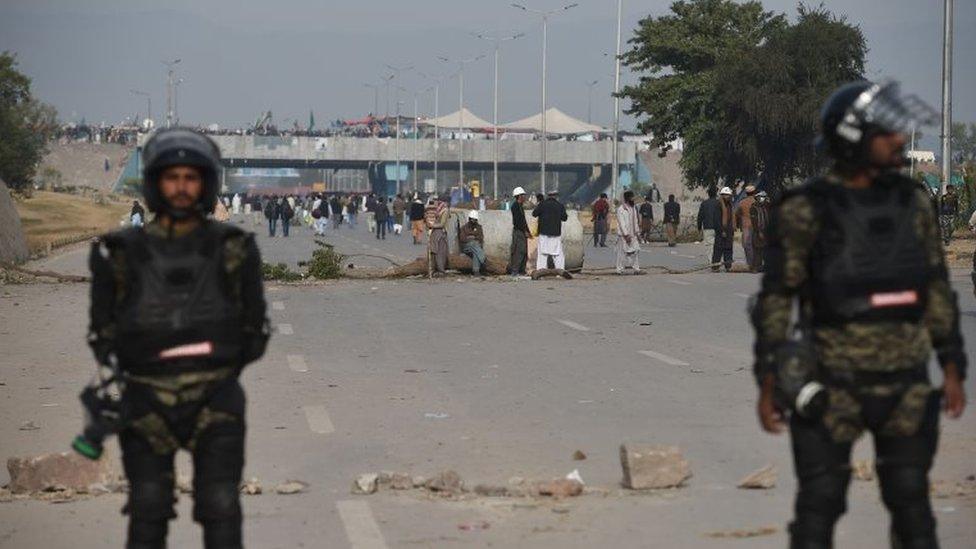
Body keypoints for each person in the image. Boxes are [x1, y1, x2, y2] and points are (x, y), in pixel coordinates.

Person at [751, 80, 967, 549]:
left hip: (905, 382)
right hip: (831, 383)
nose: (900, 139)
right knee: (819, 505)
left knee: (912, 507)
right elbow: (776, 297)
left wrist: (952, 363)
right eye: (887, 131)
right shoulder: (806, 209)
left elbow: (934, 287)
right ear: (853, 138)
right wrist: (769, 376)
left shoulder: (913, 203)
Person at [84, 127, 269, 549]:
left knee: (221, 506)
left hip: (216, 400)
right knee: (147, 509)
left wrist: (215, 369)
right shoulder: (121, 252)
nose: (182, 187)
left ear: (205, 183)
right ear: (155, 182)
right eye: (172, 177)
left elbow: (254, 329)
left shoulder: (234, 248)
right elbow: (102, 331)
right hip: (145, 400)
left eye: (191, 177)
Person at [532, 189, 568, 271]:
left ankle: (541, 272)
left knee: (542, 254)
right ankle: (560, 271)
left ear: (548, 196)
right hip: (555, 233)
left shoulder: (542, 204)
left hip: (543, 233)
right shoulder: (559, 205)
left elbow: (534, 214)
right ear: (556, 196)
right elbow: (564, 218)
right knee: (557, 254)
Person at [615, 190, 641, 274]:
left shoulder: (633, 208)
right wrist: (626, 235)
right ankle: (619, 269)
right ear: (628, 199)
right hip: (624, 236)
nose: (633, 200)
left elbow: (635, 221)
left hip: (633, 234)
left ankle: (636, 269)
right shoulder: (621, 209)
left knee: (636, 251)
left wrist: (638, 233)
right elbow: (621, 223)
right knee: (622, 253)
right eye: (632, 198)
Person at [508, 186, 532, 277]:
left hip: (522, 231)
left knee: (524, 251)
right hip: (518, 232)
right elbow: (518, 221)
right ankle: (515, 271)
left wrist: (528, 231)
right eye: (523, 195)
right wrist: (524, 231)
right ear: (519, 196)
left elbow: (524, 221)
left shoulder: (520, 206)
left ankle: (522, 270)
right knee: (519, 251)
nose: (524, 197)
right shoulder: (515, 206)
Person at [734, 185, 758, 270]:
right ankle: (757, 263)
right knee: (756, 245)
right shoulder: (757, 201)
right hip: (758, 226)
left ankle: (750, 263)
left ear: (746, 193)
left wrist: (736, 225)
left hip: (746, 226)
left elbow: (736, 214)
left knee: (747, 245)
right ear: (754, 192)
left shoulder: (742, 203)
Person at [712, 187, 735, 271]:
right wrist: (721, 230)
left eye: (728, 195)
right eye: (725, 195)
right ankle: (715, 266)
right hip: (721, 231)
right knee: (718, 249)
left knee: (728, 249)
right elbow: (716, 220)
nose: (727, 197)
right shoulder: (718, 205)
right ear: (722, 196)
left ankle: (728, 266)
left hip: (729, 231)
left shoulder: (730, 205)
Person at [425, 197, 449, 275]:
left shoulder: (445, 211)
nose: (434, 203)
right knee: (432, 251)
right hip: (434, 233)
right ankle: (432, 270)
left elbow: (442, 224)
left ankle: (441, 270)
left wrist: (432, 225)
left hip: (440, 234)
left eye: (435, 201)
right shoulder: (436, 210)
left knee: (440, 252)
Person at [459, 210, 486, 274]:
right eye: (472, 219)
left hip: (476, 247)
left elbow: (481, 238)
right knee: (473, 244)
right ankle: (483, 259)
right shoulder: (464, 228)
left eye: (475, 220)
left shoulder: (479, 227)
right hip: (467, 247)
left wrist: (471, 237)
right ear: (469, 219)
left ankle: (476, 271)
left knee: (475, 252)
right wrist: (473, 237)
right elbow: (462, 239)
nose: (473, 221)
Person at [749, 191, 770, 272]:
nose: (763, 199)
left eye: (764, 197)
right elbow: (754, 221)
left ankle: (762, 267)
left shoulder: (765, 207)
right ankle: (755, 267)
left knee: (765, 250)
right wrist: (759, 232)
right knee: (757, 249)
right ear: (757, 198)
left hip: (766, 231)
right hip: (757, 231)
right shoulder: (753, 208)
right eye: (762, 197)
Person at [696, 187, 720, 256]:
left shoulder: (704, 204)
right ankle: (717, 260)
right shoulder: (719, 203)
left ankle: (712, 262)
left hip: (708, 227)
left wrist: (699, 227)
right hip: (718, 227)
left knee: (709, 246)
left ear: (708, 194)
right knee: (718, 245)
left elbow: (700, 216)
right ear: (716, 194)